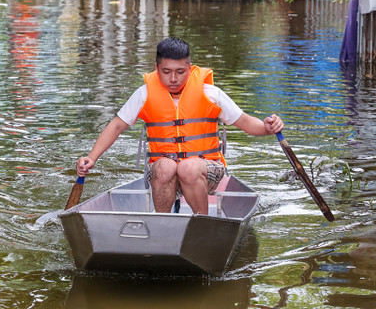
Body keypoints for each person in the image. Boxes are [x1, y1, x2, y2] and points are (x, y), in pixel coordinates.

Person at [75, 37, 284, 215]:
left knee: (188, 167)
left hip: (205, 170)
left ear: (190, 69)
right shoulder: (144, 94)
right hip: (162, 173)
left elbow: (247, 123)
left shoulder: (210, 94)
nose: (173, 78)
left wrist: (268, 127)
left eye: (180, 72)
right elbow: (117, 126)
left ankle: (203, 222)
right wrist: (91, 158)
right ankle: (163, 226)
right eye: (166, 72)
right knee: (166, 166)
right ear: (157, 69)